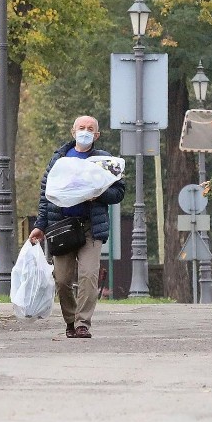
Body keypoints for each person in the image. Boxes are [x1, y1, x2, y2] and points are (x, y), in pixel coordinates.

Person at [28, 115, 125, 338]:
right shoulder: (59, 158)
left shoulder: (104, 160)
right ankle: (70, 321)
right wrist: (40, 225)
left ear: (97, 135)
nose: (85, 131)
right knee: (62, 280)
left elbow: (119, 192)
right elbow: (46, 193)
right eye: (81, 127)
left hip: (91, 226)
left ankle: (83, 323)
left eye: (90, 128)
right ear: (73, 132)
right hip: (62, 226)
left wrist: (97, 194)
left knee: (88, 275)